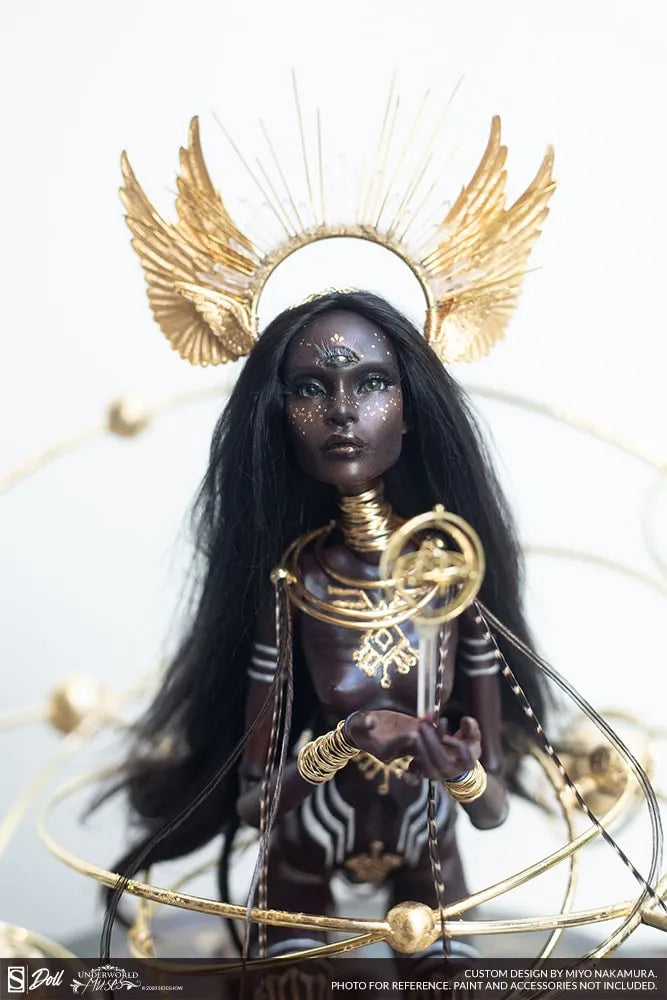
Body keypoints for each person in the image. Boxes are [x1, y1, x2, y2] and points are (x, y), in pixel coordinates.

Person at [107, 289, 548, 962]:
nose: (341, 410)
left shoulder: (447, 578)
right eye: (311, 389)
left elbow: (492, 813)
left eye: (371, 383)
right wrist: (345, 741)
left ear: (409, 410)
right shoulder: (295, 587)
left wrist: (462, 772)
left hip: (426, 839)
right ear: (281, 418)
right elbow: (255, 806)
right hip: (308, 840)